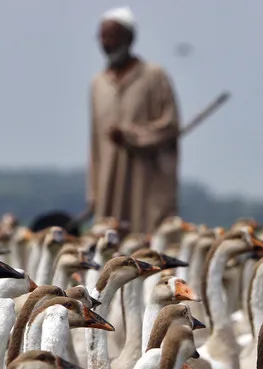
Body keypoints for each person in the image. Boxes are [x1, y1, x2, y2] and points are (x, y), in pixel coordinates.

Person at [86, 7, 180, 237]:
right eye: (102, 37)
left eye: (111, 36)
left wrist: (131, 136)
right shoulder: (98, 84)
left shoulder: (154, 76)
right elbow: (94, 144)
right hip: (108, 185)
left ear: (129, 38)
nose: (105, 43)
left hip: (145, 183)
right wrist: (93, 192)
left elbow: (169, 125)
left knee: (147, 245)